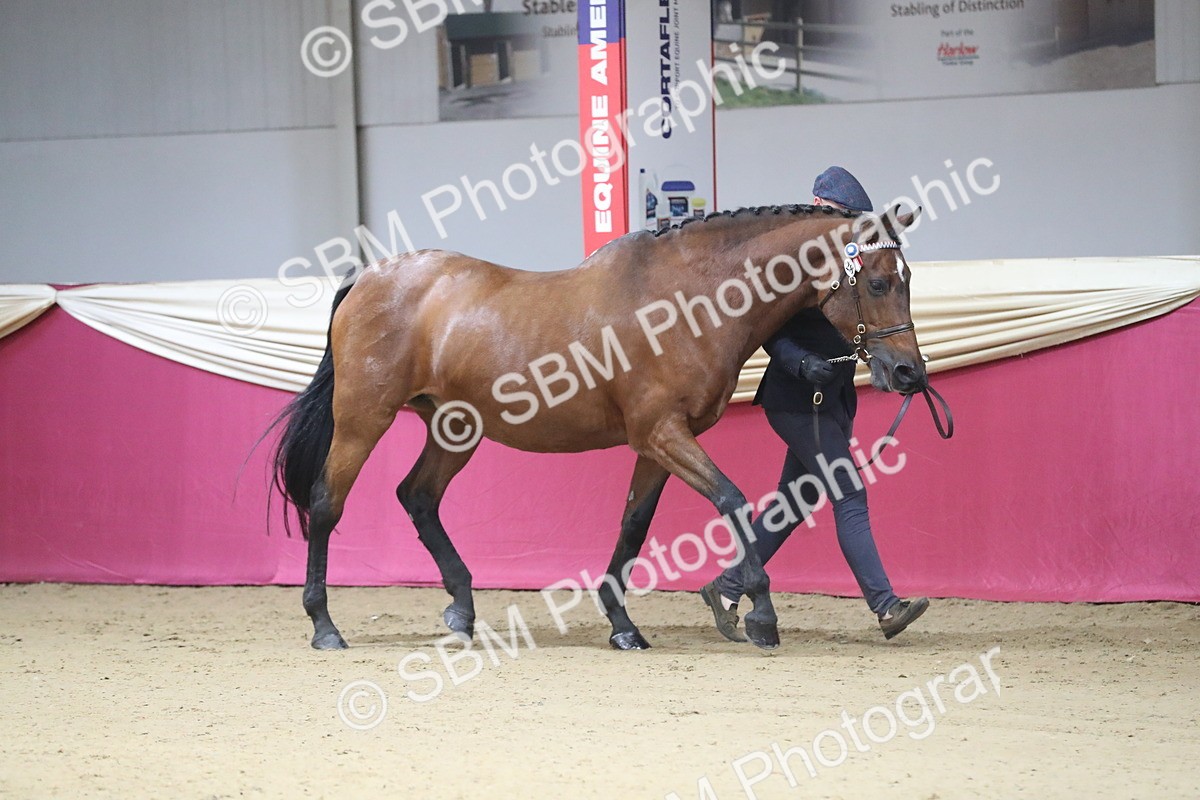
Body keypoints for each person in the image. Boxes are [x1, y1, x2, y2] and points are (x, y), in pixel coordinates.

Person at [700, 166, 929, 642]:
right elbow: (769, 331)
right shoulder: (791, 265)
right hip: (797, 399)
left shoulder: (847, 263)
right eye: (844, 217)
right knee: (849, 494)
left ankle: (727, 586)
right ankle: (886, 606)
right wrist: (802, 364)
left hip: (835, 398)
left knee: (793, 502)